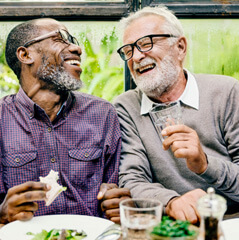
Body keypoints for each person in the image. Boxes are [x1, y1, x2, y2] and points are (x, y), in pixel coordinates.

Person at [114, 5, 239, 224]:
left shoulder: (227, 92)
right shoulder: (125, 107)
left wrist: (205, 164)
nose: (136, 56)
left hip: (230, 222)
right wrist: (171, 202)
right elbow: (132, 180)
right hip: (167, 227)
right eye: (128, 51)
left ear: (180, 47)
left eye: (146, 43)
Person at [0, 18, 130, 225]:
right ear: (25, 55)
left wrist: (117, 203)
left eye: (74, 41)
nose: (77, 48)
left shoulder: (103, 113)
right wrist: (2, 213)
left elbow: (115, 193)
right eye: (61, 39)